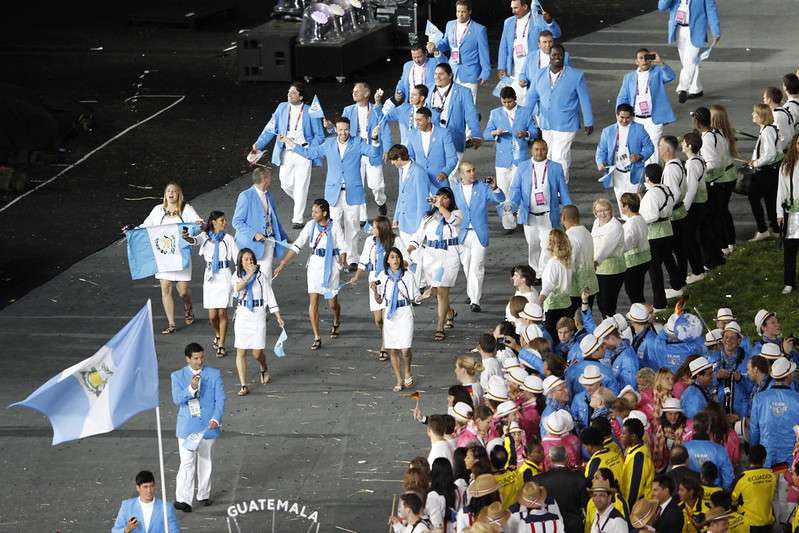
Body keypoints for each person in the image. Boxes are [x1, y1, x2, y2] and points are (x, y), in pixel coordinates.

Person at [285, 116, 380, 268]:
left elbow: (374, 153)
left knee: (353, 227)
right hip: (333, 194)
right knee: (333, 227)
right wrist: (291, 143)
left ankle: (352, 259)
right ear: (336, 129)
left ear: (350, 129)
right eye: (340, 129)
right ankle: (336, 258)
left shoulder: (358, 142)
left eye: (346, 129)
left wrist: (374, 138)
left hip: (353, 193)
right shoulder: (328, 143)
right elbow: (310, 153)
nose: (343, 133)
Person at [273, 198, 346, 350]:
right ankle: (317, 337)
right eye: (312, 211)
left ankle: (336, 319)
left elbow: (343, 247)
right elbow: (297, 245)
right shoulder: (310, 225)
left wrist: (343, 260)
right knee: (313, 301)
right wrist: (283, 262)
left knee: (332, 303)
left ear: (324, 213)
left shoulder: (335, 226)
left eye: (316, 212)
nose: (312, 214)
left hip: (331, 265)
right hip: (315, 265)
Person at [249, 82, 324, 228]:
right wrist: (259, 144)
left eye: (294, 92)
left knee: (301, 185)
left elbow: (319, 135)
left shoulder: (310, 111)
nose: (290, 94)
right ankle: (300, 201)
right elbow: (270, 127)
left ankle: (298, 219)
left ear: (301, 96)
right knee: (285, 184)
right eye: (289, 92)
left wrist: (311, 150)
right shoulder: (282, 107)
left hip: (303, 152)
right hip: (286, 151)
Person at [138, 182, 201, 335]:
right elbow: (145, 226)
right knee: (165, 288)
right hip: (163, 257)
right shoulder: (157, 210)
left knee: (183, 292)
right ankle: (171, 324)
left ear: (179, 194)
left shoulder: (186, 209)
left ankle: (188, 307)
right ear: (165, 194)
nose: (171, 193)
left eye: (174, 191)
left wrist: (198, 223)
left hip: (180, 256)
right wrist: (133, 231)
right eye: (168, 191)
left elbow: (197, 223)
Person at [524, 44, 593, 182]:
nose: (557, 57)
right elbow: (531, 98)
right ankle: (551, 181)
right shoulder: (539, 74)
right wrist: (523, 120)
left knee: (559, 156)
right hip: (546, 123)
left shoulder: (576, 76)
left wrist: (588, 121)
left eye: (560, 55)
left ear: (564, 56)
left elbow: (584, 100)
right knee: (549, 154)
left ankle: (560, 185)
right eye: (554, 55)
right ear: (549, 56)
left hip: (567, 123)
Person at [170, 343, 225, 512]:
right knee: (187, 462)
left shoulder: (214, 374)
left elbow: (220, 399)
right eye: (195, 358)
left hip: (208, 426)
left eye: (201, 357)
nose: (199, 361)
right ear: (187, 359)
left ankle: (203, 494)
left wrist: (216, 418)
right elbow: (177, 399)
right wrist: (191, 388)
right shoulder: (177, 376)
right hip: (187, 427)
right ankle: (183, 499)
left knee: (205, 460)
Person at [510, 138, 572, 280]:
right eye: (536, 149)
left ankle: (542, 273)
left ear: (547, 150)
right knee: (533, 246)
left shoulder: (556, 167)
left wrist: (569, 208)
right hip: (529, 215)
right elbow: (515, 188)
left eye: (543, 149)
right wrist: (512, 205)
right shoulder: (523, 167)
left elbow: (563, 190)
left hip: (548, 215)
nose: (539, 152)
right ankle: (533, 271)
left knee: (547, 246)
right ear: (531, 150)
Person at [408, 187, 462, 341]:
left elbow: (453, 221)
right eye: (439, 197)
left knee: (442, 290)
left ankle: (439, 326)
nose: (442, 200)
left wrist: (440, 207)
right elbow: (418, 235)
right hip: (431, 257)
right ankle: (449, 312)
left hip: (448, 256)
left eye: (445, 198)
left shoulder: (457, 214)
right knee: (437, 292)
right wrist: (411, 247)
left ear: (451, 200)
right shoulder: (428, 217)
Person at [182, 210, 238, 357]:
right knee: (213, 316)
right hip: (210, 277)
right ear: (214, 222)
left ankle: (221, 344)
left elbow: (237, 258)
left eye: (225, 220)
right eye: (222, 220)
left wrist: (239, 276)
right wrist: (186, 237)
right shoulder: (205, 236)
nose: (225, 223)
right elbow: (194, 241)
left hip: (224, 275)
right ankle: (217, 334)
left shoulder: (228, 239)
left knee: (222, 312)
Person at [350, 216, 406, 361]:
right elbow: (363, 261)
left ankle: (384, 345)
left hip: (390, 281)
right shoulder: (370, 241)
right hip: (374, 282)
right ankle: (387, 336)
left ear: (382, 228)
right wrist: (356, 276)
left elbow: (406, 259)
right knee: (378, 319)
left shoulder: (396, 241)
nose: (372, 229)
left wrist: (397, 269)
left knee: (386, 316)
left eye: (374, 227)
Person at [452, 160, 505, 312]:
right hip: (461, 234)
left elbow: (500, 199)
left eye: (473, 170)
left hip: (479, 234)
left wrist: (495, 187)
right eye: (468, 171)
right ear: (461, 174)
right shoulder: (454, 190)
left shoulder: (483, 187)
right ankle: (472, 292)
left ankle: (475, 300)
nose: (472, 173)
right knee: (467, 265)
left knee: (477, 266)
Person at [230, 248, 283, 395]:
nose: (249, 261)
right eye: (246, 259)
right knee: (241, 350)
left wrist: (278, 316)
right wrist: (248, 275)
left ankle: (263, 366)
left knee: (257, 353)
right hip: (243, 315)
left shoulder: (261, 276)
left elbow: (270, 296)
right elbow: (237, 288)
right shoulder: (237, 275)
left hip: (258, 314)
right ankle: (243, 385)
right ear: (240, 261)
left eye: (251, 259)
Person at [483, 86, 538, 219]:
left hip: (521, 159)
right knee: (503, 190)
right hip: (502, 160)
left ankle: (521, 215)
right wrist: (495, 132)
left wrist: (526, 133)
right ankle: (507, 219)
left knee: (520, 188)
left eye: (510, 102)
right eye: (504, 102)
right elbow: (485, 134)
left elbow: (535, 132)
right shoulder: (495, 113)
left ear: (515, 99)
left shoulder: (526, 112)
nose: (507, 104)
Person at [373, 247, 422, 392]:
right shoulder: (382, 276)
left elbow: (415, 297)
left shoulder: (408, 276)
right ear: (387, 260)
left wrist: (423, 296)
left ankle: (407, 370)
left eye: (398, 257)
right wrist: (374, 290)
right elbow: (379, 300)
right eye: (392, 257)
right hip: (390, 314)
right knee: (393, 349)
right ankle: (399, 379)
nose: (395, 260)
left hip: (405, 312)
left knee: (405, 349)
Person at [339, 82, 390, 220]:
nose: (354, 93)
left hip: (373, 149)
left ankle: (381, 201)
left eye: (357, 91)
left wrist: (387, 149)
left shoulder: (376, 109)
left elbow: (385, 130)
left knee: (377, 185)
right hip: (355, 150)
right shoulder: (348, 110)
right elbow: (342, 129)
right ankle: (362, 217)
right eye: (353, 91)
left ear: (367, 93)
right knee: (357, 185)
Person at [616, 48, 676, 165]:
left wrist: (661, 63)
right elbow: (622, 97)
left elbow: (670, 76)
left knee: (653, 148)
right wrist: (619, 116)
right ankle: (638, 173)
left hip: (654, 119)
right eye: (641, 58)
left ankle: (652, 173)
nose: (644, 60)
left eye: (647, 58)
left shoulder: (657, 72)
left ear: (651, 60)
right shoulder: (629, 77)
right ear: (636, 61)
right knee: (636, 146)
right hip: (636, 118)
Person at [232, 166, 289, 285]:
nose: (271, 179)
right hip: (248, 245)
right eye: (270, 177)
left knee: (266, 278)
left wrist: (286, 238)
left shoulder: (270, 196)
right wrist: (254, 234)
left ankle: (265, 297)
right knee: (247, 279)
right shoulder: (245, 196)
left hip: (268, 242)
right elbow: (236, 221)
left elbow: (274, 221)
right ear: (265, 179)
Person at [640, 163, 685, 310]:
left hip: (655, 235)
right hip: (667, 230)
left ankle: (660, 303)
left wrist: (638, 220)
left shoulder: (651, 194)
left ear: (647, 178)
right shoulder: (665, 188)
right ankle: (678, 286)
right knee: (669, 260)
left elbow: (652, 216)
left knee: (655, 270)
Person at [656, 0, 720, 103]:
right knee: (687, 63)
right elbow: (661, 7)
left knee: (689, 61)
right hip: (678, 28)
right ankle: (696, 89)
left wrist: (716, 31)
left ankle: (683, 89)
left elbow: (711, 10)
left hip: (696, 31)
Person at [690, 107, 730, 267]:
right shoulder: (717, 133)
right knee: (714, 223)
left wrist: (699, 170)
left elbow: (713, 162)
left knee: (707, 226)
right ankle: (718, 256)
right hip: (720, 182)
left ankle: (711, 260)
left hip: (712, 185)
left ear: (697, 122)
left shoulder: (706, 139)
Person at [497, 0, 561, 101]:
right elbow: (503, 46)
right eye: (512, 8)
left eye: (516, 8)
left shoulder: (538, 19)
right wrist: (501, 66)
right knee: (513, 101)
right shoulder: (508, 22)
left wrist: (549, 22)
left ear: (525, 7)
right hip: (513, 69)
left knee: (533, 100)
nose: (513, 11)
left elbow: (556, 34)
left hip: (533, 67)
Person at [596, 103, 654, 213]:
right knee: (622, 207)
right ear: (616, 115)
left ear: (632, 116)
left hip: (634, 173)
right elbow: (601, 150)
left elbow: (650, 147)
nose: (624, 120)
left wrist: (640, 156)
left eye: (628, 118)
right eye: (621, 117)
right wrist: (600, 162)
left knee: (635, 207)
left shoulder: (639, 129)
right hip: (617, 174)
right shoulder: (607, 131)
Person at [429, 0, 491, 102]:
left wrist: (486, 72)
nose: (460, 15)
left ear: (470, 11)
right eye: (458, 11)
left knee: (468, 104)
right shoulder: (450, 24)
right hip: (452, 71)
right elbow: (445, 43)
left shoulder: (479, 29)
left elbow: (484, 53)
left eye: (463, 12)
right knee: (451, 103)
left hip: (470, 73)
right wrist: (435, 46)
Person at [426, 63, 483, 167]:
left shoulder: (464, 92)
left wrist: (476, 134)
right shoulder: (429, 89)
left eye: (441, 74)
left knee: (452, 174)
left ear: (450, 75)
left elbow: (471, 114)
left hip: (454, 139)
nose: (437, 77)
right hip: (431, 139)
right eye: (435, 74)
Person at [749, 356, 799, 468]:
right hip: (791, 457)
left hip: (766, 456)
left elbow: (754, 431)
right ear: (788, 375)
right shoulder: (797, 399)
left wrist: (754, 454)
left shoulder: (759, 398)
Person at [532, 445, 589, 532]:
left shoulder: (538, 480)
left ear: (550, 459)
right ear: (567, 458)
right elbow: (585, 505)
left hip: (549, 527)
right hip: (574, 527)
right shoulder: (579, 478)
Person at [709, 104, 741, 255]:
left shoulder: (714, 136)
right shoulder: (726, 131)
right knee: (723, 211)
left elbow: (715, 162)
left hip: (721, 178)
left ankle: (724, 244)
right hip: (730, 175)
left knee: (719, 213)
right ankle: (730, 241)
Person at [747, 103, 781, 241]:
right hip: (772, 171)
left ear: (762, 116)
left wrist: (756, 163)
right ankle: (775, 229)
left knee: (753, 196)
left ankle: (762, 229)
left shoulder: (767, 131)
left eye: (755, 113)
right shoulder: (769, 129)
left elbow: (770, 154)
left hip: (766, 172)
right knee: (770, 199)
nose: (752, 115)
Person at [405, 106, 458, 190]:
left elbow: (452, 158)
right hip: (420, 182)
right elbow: (410, 157)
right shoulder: (412, 134)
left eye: (420, 120)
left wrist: (445, 172)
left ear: (429, 119)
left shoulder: (444, 133)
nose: (417, 123)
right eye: (416, 120)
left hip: (440, 183)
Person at [680, 131, 708, 283]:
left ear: (689, 146)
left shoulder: (692, 163)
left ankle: (697, 271)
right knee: (693, 238)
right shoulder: (698, 159)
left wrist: (684, 208)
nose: (682, 144)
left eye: (684, 142)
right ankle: (699, 269)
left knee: (690, 239)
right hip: (700, 202)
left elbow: (691, 189)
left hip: (695, 205)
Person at [112, 470, 180, 533]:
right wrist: (127, 530)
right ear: (138, 488)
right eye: (145, 487)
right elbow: (115, 531)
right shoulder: (126, 506)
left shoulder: (167, 507)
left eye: (151, 486)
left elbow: (174, 531)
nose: (149, 490)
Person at [591, 198, 625, 317]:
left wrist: (595, 262)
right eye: (599, 211)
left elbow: (605, 248)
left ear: (611, 210)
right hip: (599, 270)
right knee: (601, 302)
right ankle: (607, 324)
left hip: (612, 270)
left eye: (605, 210)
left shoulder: (615, 226)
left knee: (608, 304)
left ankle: (611, 325)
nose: (602, 214)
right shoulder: (596, 222)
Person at [560, 205, 598, 311]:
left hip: (576, 289)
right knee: (586, 315)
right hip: (590, 284)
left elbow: (568, 264)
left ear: (563, 218)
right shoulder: (586, 232)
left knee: (574, 319)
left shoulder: (569, 236)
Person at [730, 444, 776, 532]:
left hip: (748, 524)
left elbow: (733, 500)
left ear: (749, 459)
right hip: (768, 521)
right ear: (764, 459)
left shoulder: (742, 478)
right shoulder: (772, 476)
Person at [683, 413, 734, 491]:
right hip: (714, 494)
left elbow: (679, 472)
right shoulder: (719, 449)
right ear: (709, 428)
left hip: (691, 493)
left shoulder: (684, 448)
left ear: (694, 428)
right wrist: (724, 493)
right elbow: (728, 477)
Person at [538, 229, 572, 339]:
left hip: (553, 308)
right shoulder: (568, 260)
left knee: (553, 338)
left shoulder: (553, 263)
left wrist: (538, 302)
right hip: (567, 304)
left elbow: (548, 286)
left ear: (552, 244)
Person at [618, 193, 651, 304]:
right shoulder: (640, 218)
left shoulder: (630, 224)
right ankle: (643, 310)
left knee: (632, 291)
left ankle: (640, 312)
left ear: (627, 206)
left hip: (634, 262)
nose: (621, 207)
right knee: (638, 290)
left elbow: (627, 244)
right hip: (645, 258)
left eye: (622, 205)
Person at [777, 133, 799, 294]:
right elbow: (781, 191)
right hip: (792, 214)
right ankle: (789, 282)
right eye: (798, 144)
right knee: (790, 249)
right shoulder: (786, 165)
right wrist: (779, 213)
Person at [621, 418, 654, 505]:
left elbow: (635, 489)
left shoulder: (639, 456)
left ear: (633, 436)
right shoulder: (634, 450)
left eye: (624, 433)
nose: (621, 436)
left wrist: (627, 508)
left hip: (637, 505)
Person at [763, 86, 793, 153]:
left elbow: (784, 138)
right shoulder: (781, 111)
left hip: (783, 152)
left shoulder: (778, 115)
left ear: (769, 100)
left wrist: (774, 150)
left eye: (764, 98)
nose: (763, 100)